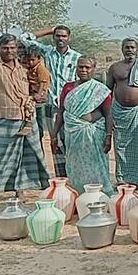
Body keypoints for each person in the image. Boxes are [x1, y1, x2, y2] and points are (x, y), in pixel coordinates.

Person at [0, 6, 50, 212]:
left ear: (17, 49)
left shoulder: (25, 67)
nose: (9, 51)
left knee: (27, 156)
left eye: (12, 48)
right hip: (4, 119)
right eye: (5, 48)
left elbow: (36, 88)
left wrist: (37, 96)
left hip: (27, 119)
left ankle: (20, 191)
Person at [21, 24, 81, 177]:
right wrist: (49, 29)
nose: (60, 39)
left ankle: (76, 174)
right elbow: (24, 38)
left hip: (71, 106)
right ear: (54, 37)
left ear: (69, 38)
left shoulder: (77, 57)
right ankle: (62, 178)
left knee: (72, 140)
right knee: (56, 140)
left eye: (64, 36)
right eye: (57, 35)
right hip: (52, 105)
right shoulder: (47, 53)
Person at [52, 57, 115, 196]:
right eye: (81, 67)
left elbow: (108, 114)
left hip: (93, 134)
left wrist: (108, 136)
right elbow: (61, 111)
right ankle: (79, 194)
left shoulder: (100, 90)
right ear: (76, 68)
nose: (84, 70)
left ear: (94, 69)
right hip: (73, 134)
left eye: (87, 67)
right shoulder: (68, 87)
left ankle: (100, 195)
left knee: (96, 165)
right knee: (75, 165)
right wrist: (54, 135)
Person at [106, 38, 138, 188]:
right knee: (120, 146)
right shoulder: (115, 68)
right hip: (119, 112)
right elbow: (107, 92)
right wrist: (109, 116)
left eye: (132, 47)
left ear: (137, 49)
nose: (130, 50)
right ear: (122, 49)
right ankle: (121, 179)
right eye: (126, 47)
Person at [24, 45, 51, 141]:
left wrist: (38, 95)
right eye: (28, 60)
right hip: (32, 96)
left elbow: (43, 84)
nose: (30, 62)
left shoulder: (41, 69)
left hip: (39, 99)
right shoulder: (29, 69)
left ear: (39, 59)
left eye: (32, 60)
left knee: (39, 120)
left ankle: (39, 135)